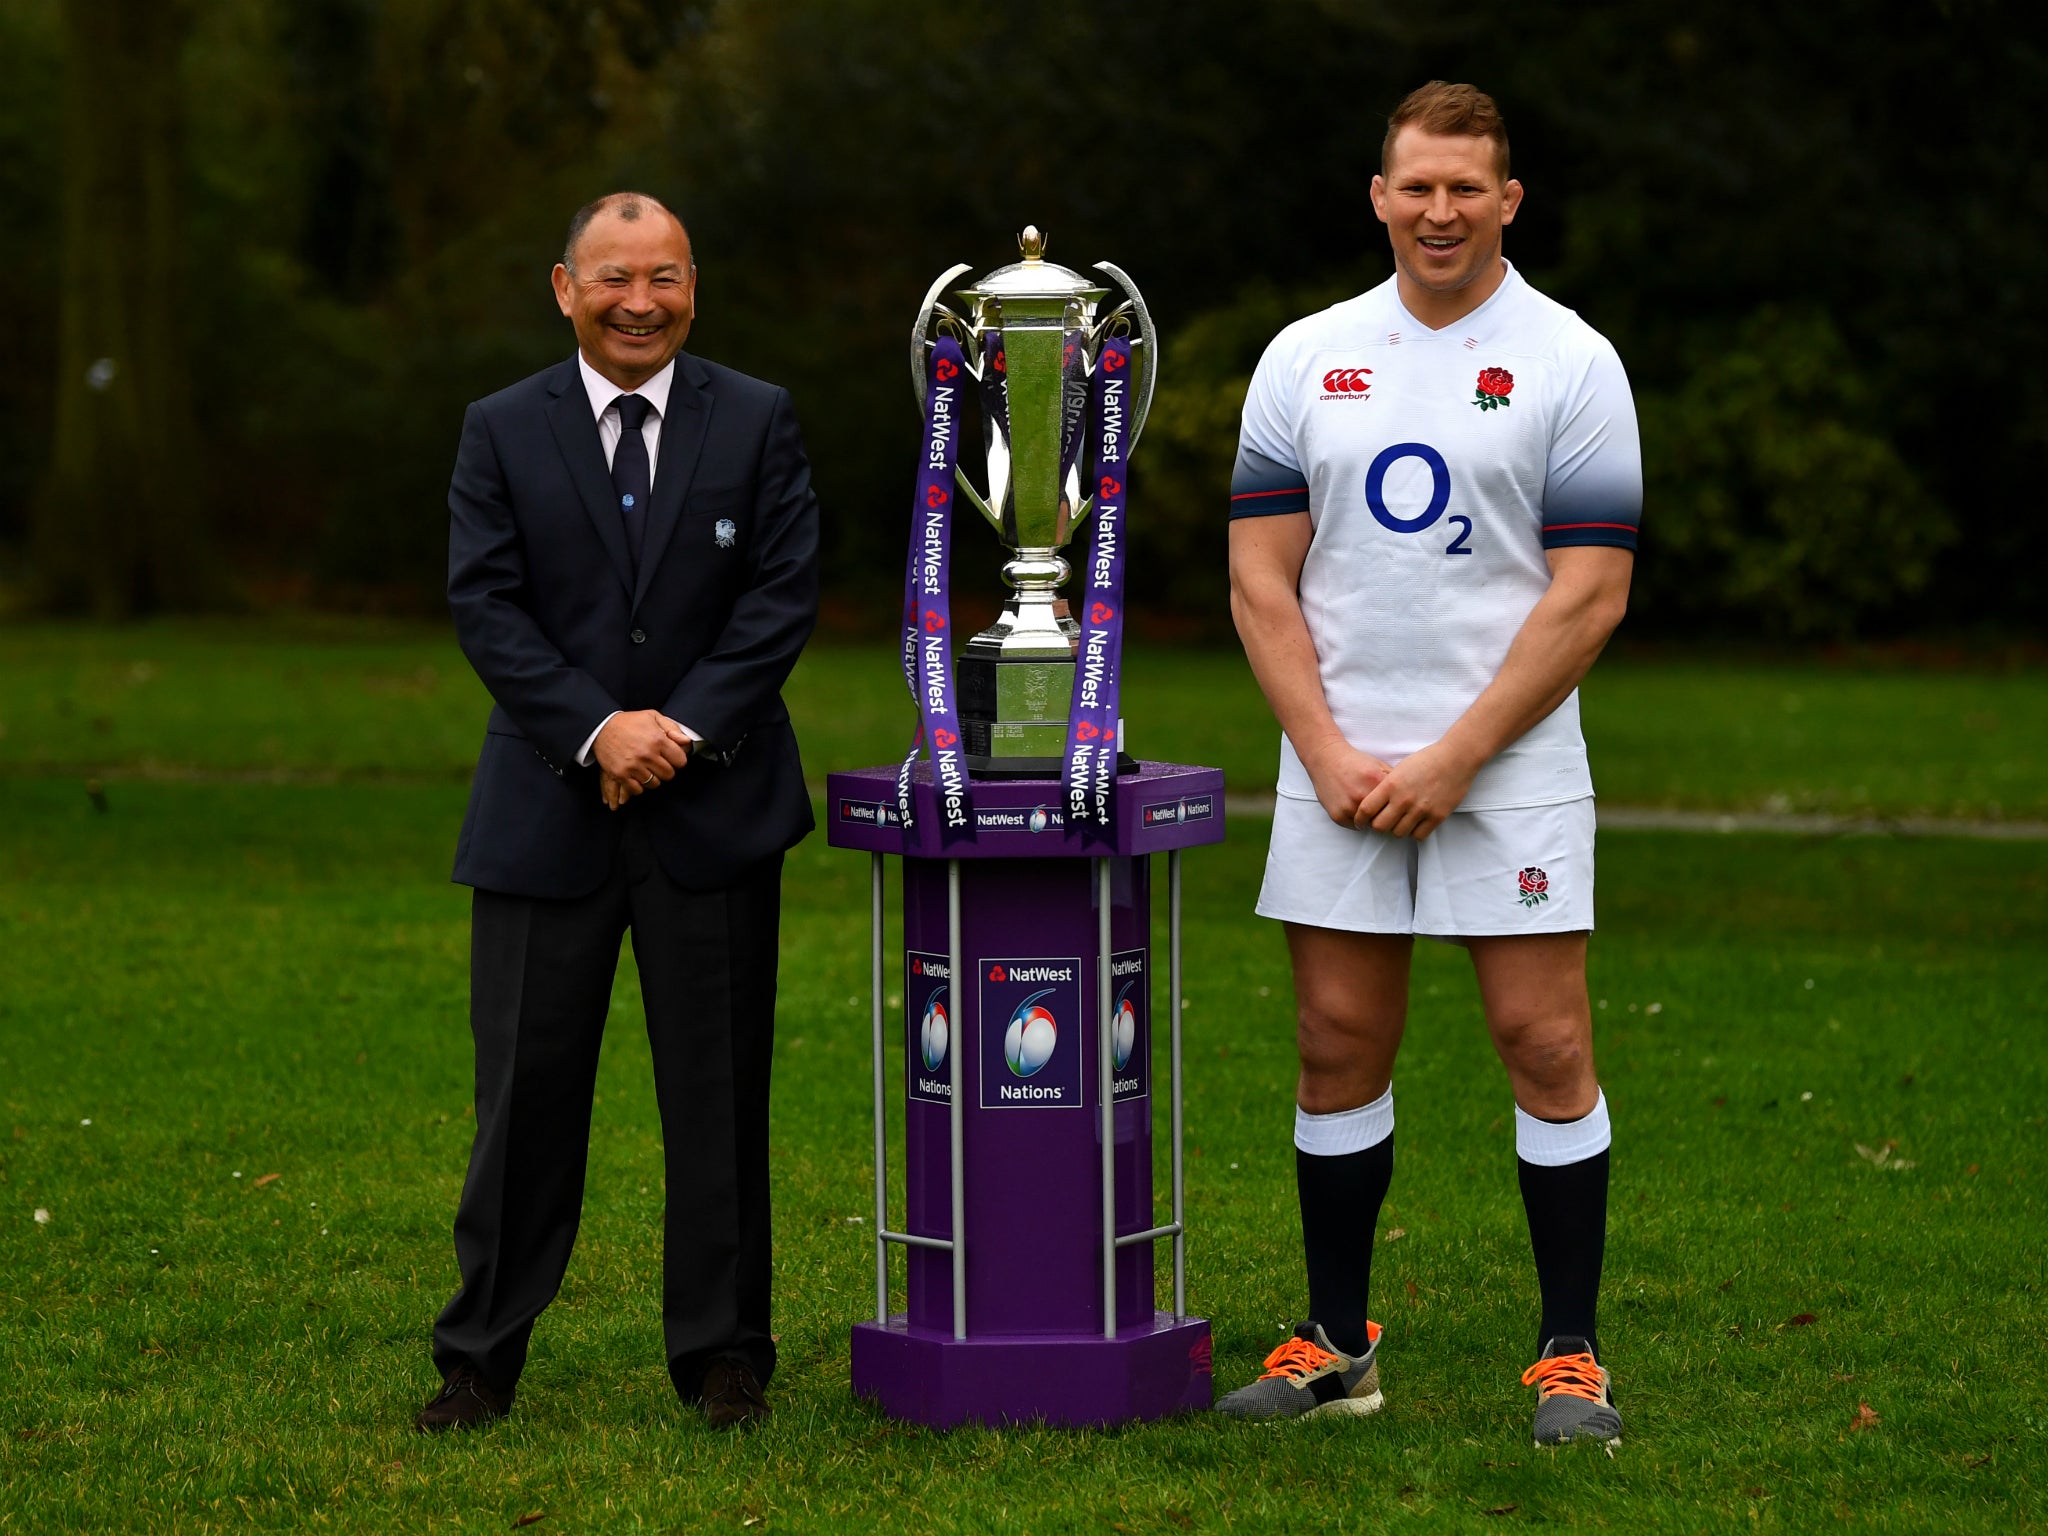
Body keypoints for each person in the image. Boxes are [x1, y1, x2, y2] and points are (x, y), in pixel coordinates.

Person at [1217, 82, 1640, 1446]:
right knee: (1336, 1044)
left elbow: (1589, 594)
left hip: (1503, 765)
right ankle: (1338, 1347)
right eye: (1417, 186)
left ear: (1507, 201)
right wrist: (1328, 751)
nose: (1440, 210)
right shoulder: (1305, 356)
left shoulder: (1574, 359)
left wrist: (1456, 756)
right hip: (1336, 761)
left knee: (1545, 1041)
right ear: (1380, 197)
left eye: (1467, 188)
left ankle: (1569, 1354)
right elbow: (1258, 580)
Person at [417, 192, 820, 1432]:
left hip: (715, 811)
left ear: (694, 283)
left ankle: (723, 1357)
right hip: (547, 814)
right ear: (562, 286)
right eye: (612, 279)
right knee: (525, 1101)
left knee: (718, 1096)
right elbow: (486, 605)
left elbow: (780, 595)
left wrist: (676, 732)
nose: (639, 302)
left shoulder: (756, 419)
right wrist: (598, 730)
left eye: (664, 277)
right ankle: (482, 1356)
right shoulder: (499, 429)